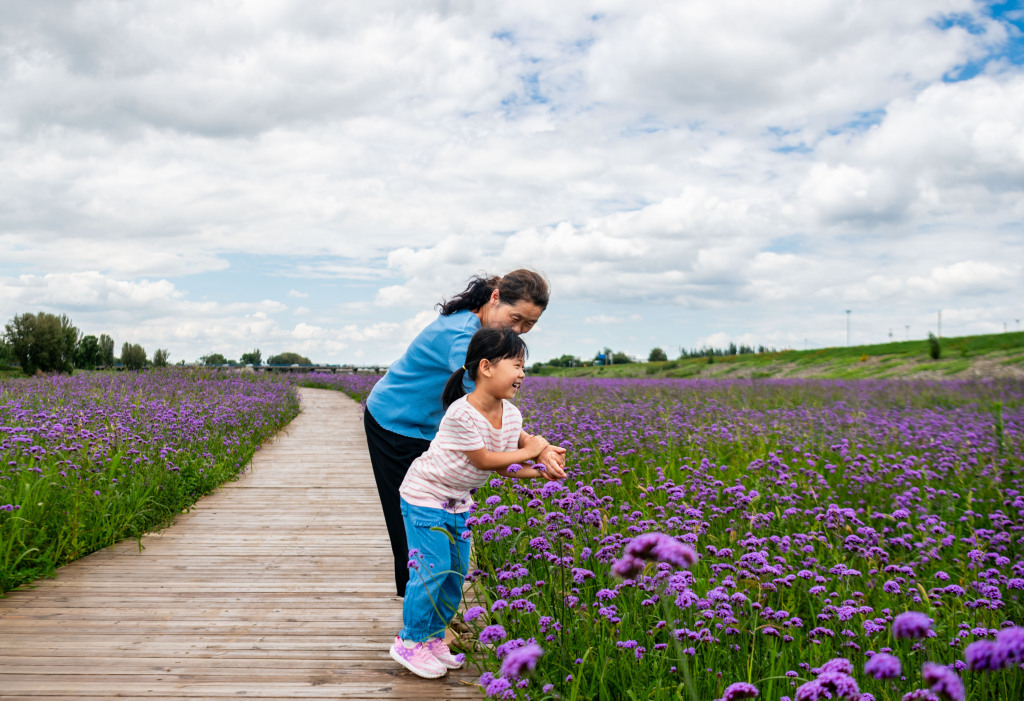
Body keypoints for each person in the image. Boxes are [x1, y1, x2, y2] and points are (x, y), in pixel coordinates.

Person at [364, 270, 566, 597]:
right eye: (515, 319)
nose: (517, 330)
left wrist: (535, 447)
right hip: (394, 421)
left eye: (528, 325)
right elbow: (482, 405)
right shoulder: (461, 337)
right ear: (495, 297)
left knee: (438, 518)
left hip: (428, 425)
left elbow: (493, 416)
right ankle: (420, 626)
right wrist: (534, 447)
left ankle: (436, 616)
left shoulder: (481, 332)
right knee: (413, 526)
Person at [388, 327, 566, 678]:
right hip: (425, 496)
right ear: (486, 367)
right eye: (516, 365)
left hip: (459, 502)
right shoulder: (461, 413)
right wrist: (533, 448)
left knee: (455, 576)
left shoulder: (511, 415)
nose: (522, 374)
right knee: (432, 570)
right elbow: (485, 460)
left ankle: (433, 638)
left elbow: (508, 467)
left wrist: (540, 469)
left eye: (523, 366)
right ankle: (409, 641)